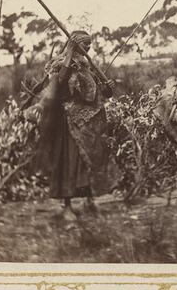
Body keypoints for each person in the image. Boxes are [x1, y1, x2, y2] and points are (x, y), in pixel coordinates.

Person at [27, 30, 114, 221]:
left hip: (88, 123)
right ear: (74, 44)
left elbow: (102, 92)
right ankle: (66, 206)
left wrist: (108, 87)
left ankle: (89, 201)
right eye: (85, 45)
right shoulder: (59, 63)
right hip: (68, 122)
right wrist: (69, 54)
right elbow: (60, 81)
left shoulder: (87, 66)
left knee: (90, 161)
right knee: (69, 161)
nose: (89, 49)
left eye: (90, 46)